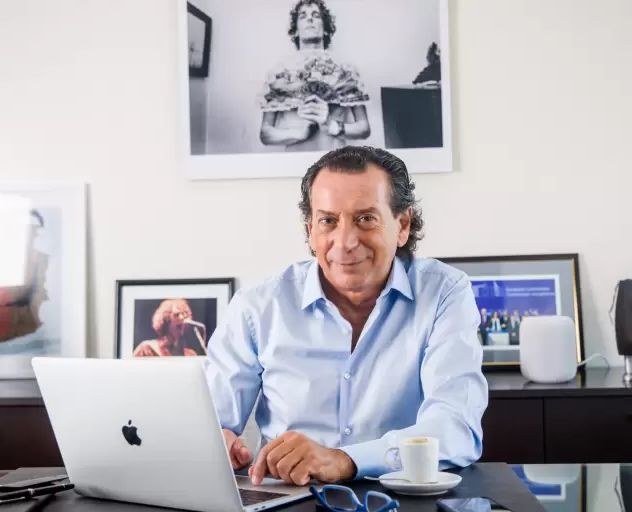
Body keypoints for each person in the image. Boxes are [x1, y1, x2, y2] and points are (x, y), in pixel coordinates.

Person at [204, 146, 488, 486]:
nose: (345, 242)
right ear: (310, 229)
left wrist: (345, 460)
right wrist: (218, 443)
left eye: (365, 219)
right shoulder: (257, 305)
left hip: (403, 497)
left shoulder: (444, 292)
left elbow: (456, 428)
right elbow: (211, 424)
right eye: (328, 221)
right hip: (289, 496)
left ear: (402, 225)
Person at [257, 0, 371, 152]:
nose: (310, 18)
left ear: (325, 29)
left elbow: (364, 128)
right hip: (295, 160)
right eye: (303, 16)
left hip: (335, 157)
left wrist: (333, 126)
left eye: (316, 15)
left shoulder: (346, 70)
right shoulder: (280, 72)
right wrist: (299, 133)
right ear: (296, 31)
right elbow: (265, 133)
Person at [133, 299, 203, 357]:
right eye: (176, 314)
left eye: (184, 314)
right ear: (166, 320)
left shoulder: (190, 354)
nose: (182, 318)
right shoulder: (148, 348)